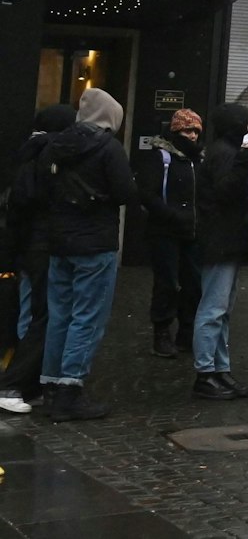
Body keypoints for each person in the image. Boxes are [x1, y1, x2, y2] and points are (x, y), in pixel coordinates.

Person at [16, 88, 135, 421]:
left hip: (59, 242)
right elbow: (125, 192)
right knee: (87, 317)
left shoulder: (55, 145)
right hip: (94, 244)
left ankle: (51, 384)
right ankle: (70, 390)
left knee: (60, 314)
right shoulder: (108, 149)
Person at [0, 106, 72, 415]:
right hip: (40, 247)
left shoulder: (27, 153)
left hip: (26, 248)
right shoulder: (48, 156)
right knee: (46, 315)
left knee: (32, 315)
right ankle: (13, 383)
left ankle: (24, 382)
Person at [190, 105, 248, 401]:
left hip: (223, 240)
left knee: (221, 310)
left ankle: (218, 369)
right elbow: (225, 190)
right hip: (220, 240)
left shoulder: (219, 150)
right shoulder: (225, 153)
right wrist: (244, 164)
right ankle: (206, 373)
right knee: (214, 309)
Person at [136, 108, 203, 359]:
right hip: (165, 231)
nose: (193, 136)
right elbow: (147, 193)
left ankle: (186, 333)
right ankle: (161, 333)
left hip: (192, 231)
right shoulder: (161, 158)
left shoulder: (198, 160)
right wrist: (171, 214)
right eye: (188, 130)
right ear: (176, 131)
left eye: (196, 130)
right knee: (167, 283)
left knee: (193, 284)